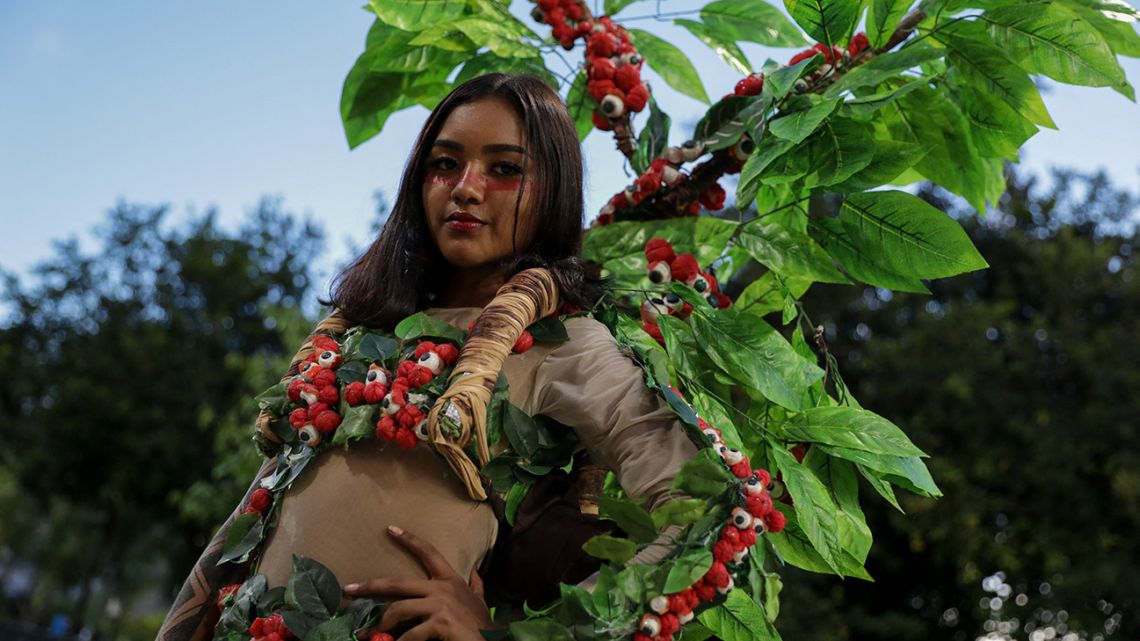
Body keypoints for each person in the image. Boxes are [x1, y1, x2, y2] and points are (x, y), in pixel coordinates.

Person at [158, 73, 698, 641]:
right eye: (445, 164)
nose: (466, 188)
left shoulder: (562, 341)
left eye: (505, 169)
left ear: (554, 190)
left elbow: (705, 507)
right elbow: (256, 511)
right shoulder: (357, 336)